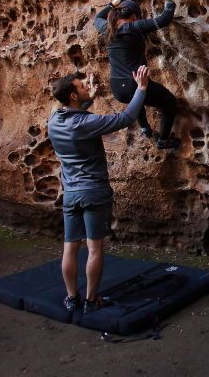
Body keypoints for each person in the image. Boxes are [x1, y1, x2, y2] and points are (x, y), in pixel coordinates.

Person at [48, 65, 150, 313]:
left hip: (70, 194)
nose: (87, 88)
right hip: (93, 191)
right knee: (94, 248)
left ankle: (72, 298)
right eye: (82, 87)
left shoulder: (53, 120)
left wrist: (89, 98)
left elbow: (75, 117)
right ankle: (91, 299)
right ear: (72, 96)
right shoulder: (85, 123)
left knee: (70, 247)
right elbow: (125, 119)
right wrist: (142, 88)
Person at [94, 0, 182, 149]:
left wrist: (111, 4)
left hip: (117, 87)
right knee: (170, 102)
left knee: (136, 98)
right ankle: (163, 140)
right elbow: (164, 19)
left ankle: (145, 128)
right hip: (133, 83)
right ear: (134, 16)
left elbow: (96, 18)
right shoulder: (133, 27)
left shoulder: (106, 29)